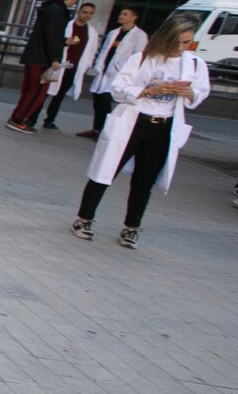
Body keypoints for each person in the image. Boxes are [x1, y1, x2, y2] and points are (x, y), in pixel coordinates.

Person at [72, 13, 209, 250]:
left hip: (163, 126)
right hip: (134, 122)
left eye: (186, 42)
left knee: (144, 181)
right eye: (176, 42)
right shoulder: (143, 58)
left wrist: (188, 93)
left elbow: (200, 93)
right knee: (105, 171)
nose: (180, 48)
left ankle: (131, 227)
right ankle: (84, 219)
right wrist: (148, 91)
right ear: (165, 37)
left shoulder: (195, 64)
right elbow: (117, 88)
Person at [6, 0, 79, 133]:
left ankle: (17, 116)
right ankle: (19, 119)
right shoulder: (58, 12)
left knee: (29, 90)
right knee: (38, 91)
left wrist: (64, 41)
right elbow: (52, 36)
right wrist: (55, 58)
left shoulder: (49, 9)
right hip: (42, 58)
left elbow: (50, 34)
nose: (75, 1)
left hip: (35, 55)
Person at [78, 7, 145, 141]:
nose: (121, 16)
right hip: (104, 71)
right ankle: (96, 129)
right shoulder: (114, 32)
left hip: (118, 74)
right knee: (97, 101)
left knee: (105, 102)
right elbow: (104, 50)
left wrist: (121, 68)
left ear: (134, 17)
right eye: (121, 13)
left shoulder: (139, 36)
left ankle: (104, 131)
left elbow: (139, 57)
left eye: (125, 14)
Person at [40, 1, 99, 129]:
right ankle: (32, 117)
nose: (87, 15)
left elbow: (92, 51)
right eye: (85, 12)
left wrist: (87, 65)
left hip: (74, 68)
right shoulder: (67, 26)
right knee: (44, 92)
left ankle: (50, 120)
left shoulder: (92, 32)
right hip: (58, 65)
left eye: (90, 13)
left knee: (60, 95)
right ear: (78, 12)